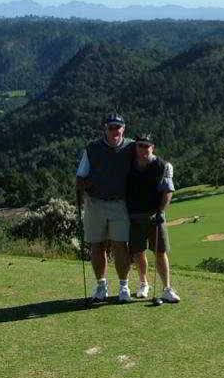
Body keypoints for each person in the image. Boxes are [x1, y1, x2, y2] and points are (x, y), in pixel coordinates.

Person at [76, 113, 135, 302]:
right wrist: (85, 188)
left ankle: (123, 286)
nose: (114, 131)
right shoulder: (92, 149)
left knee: (121, 245)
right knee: (97, 245)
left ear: (123, 129)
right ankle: (101, 286)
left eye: (118, 127)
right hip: (95, 204)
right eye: (111, 127)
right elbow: (80, 177)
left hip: (120, 204)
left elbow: (148, 160)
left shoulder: (132, 147)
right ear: (105, 129)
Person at [126, 133, 180, 303]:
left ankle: (167, 288)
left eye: (147, 146)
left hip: (154, 215)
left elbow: (167, 191)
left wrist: (160, 212)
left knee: (160, 251)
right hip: (134, 215)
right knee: (138, 252)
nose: (143, 149)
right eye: (140, 145)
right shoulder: (128, 165)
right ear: (136, 147)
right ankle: (144, 283)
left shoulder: (162, 166)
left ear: (152, 147)